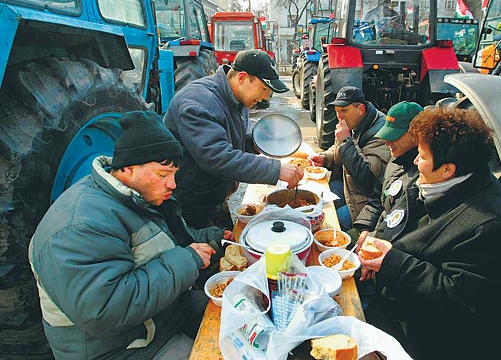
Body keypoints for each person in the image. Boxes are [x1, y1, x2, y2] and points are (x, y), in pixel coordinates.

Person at [28, 111, 231, 360]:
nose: (173, 185)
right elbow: (106, 310)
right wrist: (188, 260)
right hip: (122, 346)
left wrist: (213, 237)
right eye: (162, 175)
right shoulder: (80, 226)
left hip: (161, 316)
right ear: (129, 168)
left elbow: (170, 241)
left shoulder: (139, 196)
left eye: (174, 175)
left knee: (238, 309)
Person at [357, 107, 501, 360]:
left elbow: (461, 300)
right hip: (401, 308)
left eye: (422, 156)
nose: (415, 162)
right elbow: (396, 219)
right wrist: (379, 243)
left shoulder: (490, 227)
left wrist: (393, 263)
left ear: (448, 169)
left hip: (440, 343)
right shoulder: (436, 185)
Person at [164, 49, 303, 229]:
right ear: (243, 78)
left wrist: (254, 143)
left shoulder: (237, 100)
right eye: (264, 89)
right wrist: (276, 170)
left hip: (214, 195)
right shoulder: (198, 103)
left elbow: (226, 141)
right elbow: (217, 157)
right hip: (189, 204)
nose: (264, 98)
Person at [310, 86, 390, 233]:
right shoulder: (355, 122)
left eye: (344, 110)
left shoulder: (380, 133)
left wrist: (345, 140)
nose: (340, 116)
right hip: (347, 185)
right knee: (315, 201)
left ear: (360, 109)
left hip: (366, 199)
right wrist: (325, 158)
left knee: (329, 222)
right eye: (337, 112)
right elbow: (337, 149)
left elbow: (367, 176)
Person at [351, 101, 423, 239]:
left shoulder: (423, 174)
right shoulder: (395, 159)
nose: (387, 142)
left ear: (416, 134)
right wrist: (366, 227)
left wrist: (374, 238)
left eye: (394, 136)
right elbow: (378, 196)